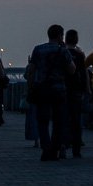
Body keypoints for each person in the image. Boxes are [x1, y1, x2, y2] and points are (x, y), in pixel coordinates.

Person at [28, 24, 75, 161]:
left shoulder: (38, 49)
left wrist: (30, 87)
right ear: (60, 36)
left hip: (42, 89)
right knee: (58, 122)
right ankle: (54, 150)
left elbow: (31, 70)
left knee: (42, 121)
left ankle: (46, 148)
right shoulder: (63, 51)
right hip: (59, 90)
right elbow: (72, 70)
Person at [63, 29, 90, 158]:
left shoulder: (62, 53)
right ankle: (76, 149)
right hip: (76, 90)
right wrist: (87, 89)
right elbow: (84, 73)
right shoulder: (80, 55)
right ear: (76, 40)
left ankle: (63, 145)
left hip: (63, 89)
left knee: (63, 119)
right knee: (76, 119)